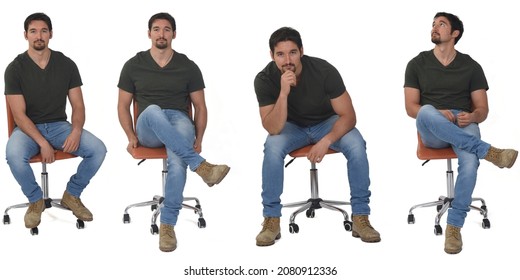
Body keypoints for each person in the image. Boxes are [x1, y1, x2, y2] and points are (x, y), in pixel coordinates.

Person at [253, 27, 381, 246]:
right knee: (272, 147)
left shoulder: (323, 70)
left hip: (326, 123)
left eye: (292, 52)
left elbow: (349, 116)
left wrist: (327, 140)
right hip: (290, 127)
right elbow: (273, 128)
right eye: (280, 54)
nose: (287, 60)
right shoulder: (265, 79)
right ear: (271, 55)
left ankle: (361, 217)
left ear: (301, 51)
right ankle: (271, 220)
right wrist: (283, 93)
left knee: (357, 144)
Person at [404, 12, 518, 254]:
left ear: (454, 34)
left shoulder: (471, 66)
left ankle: (454, 227)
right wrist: (437, 111)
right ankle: (489, 152)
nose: (434, 28)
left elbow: (482, 109)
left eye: (441, 24)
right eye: (433, 24)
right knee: (425, 110)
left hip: (464, 122)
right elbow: (411, 108)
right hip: (432, 126)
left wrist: (473, 116)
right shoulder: (417, 63)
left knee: (469, 162)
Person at [117, 12, 230, 252]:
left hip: (180, 120)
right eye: (156, 29)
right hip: (148, 124)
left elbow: (200, 106)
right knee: (154, 110)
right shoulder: (133, 65)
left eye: (166, 29)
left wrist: (199, 138)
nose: (161, 34)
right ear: (149, 34)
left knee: (177, 161)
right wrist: (130, 136)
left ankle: (167, 226)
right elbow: (122, 106)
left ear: (174, 34)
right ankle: (201, 166)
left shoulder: (188, 66)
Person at [4, 12, 107, 229]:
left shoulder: (66, 64)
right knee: (13, 154)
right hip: (27, 130)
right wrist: (42, 143)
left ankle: (72, 194)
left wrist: (76, 130)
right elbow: (19, 116)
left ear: (51, 34)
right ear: (25, 35)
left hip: (60, 126)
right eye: (33, 31)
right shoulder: (15, 68)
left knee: (98, 149)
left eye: (43, 31)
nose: (38, 36)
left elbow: (78, 105)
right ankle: (35, 200)